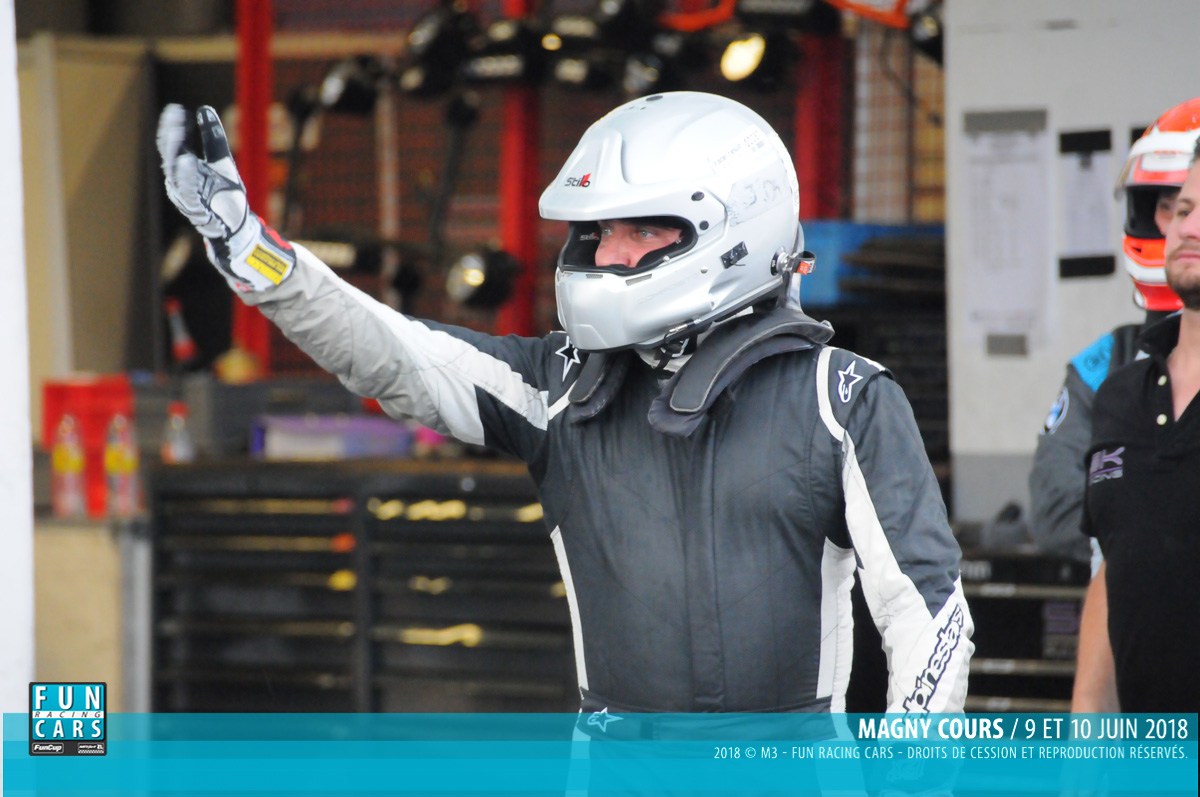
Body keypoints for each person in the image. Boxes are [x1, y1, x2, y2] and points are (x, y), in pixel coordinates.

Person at [157, 91, 973, 716]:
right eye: (598, 232)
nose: (606, 254)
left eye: (639, 231)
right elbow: (396, 353)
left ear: (733, 232)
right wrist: (249, 250)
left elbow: (929, 616)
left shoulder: (842, 397)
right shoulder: (561, 385)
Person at [1029, 97, 1200, 566]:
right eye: (1172, 207)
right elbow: (1053, 508)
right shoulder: (1106, 363)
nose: (1186, 227)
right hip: (1129, 604)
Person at [1076, 132, 1200, 714]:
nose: (1187, 227)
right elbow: (1117, 569)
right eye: (1183, 209)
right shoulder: (1120, 395)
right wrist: (1087, 733)